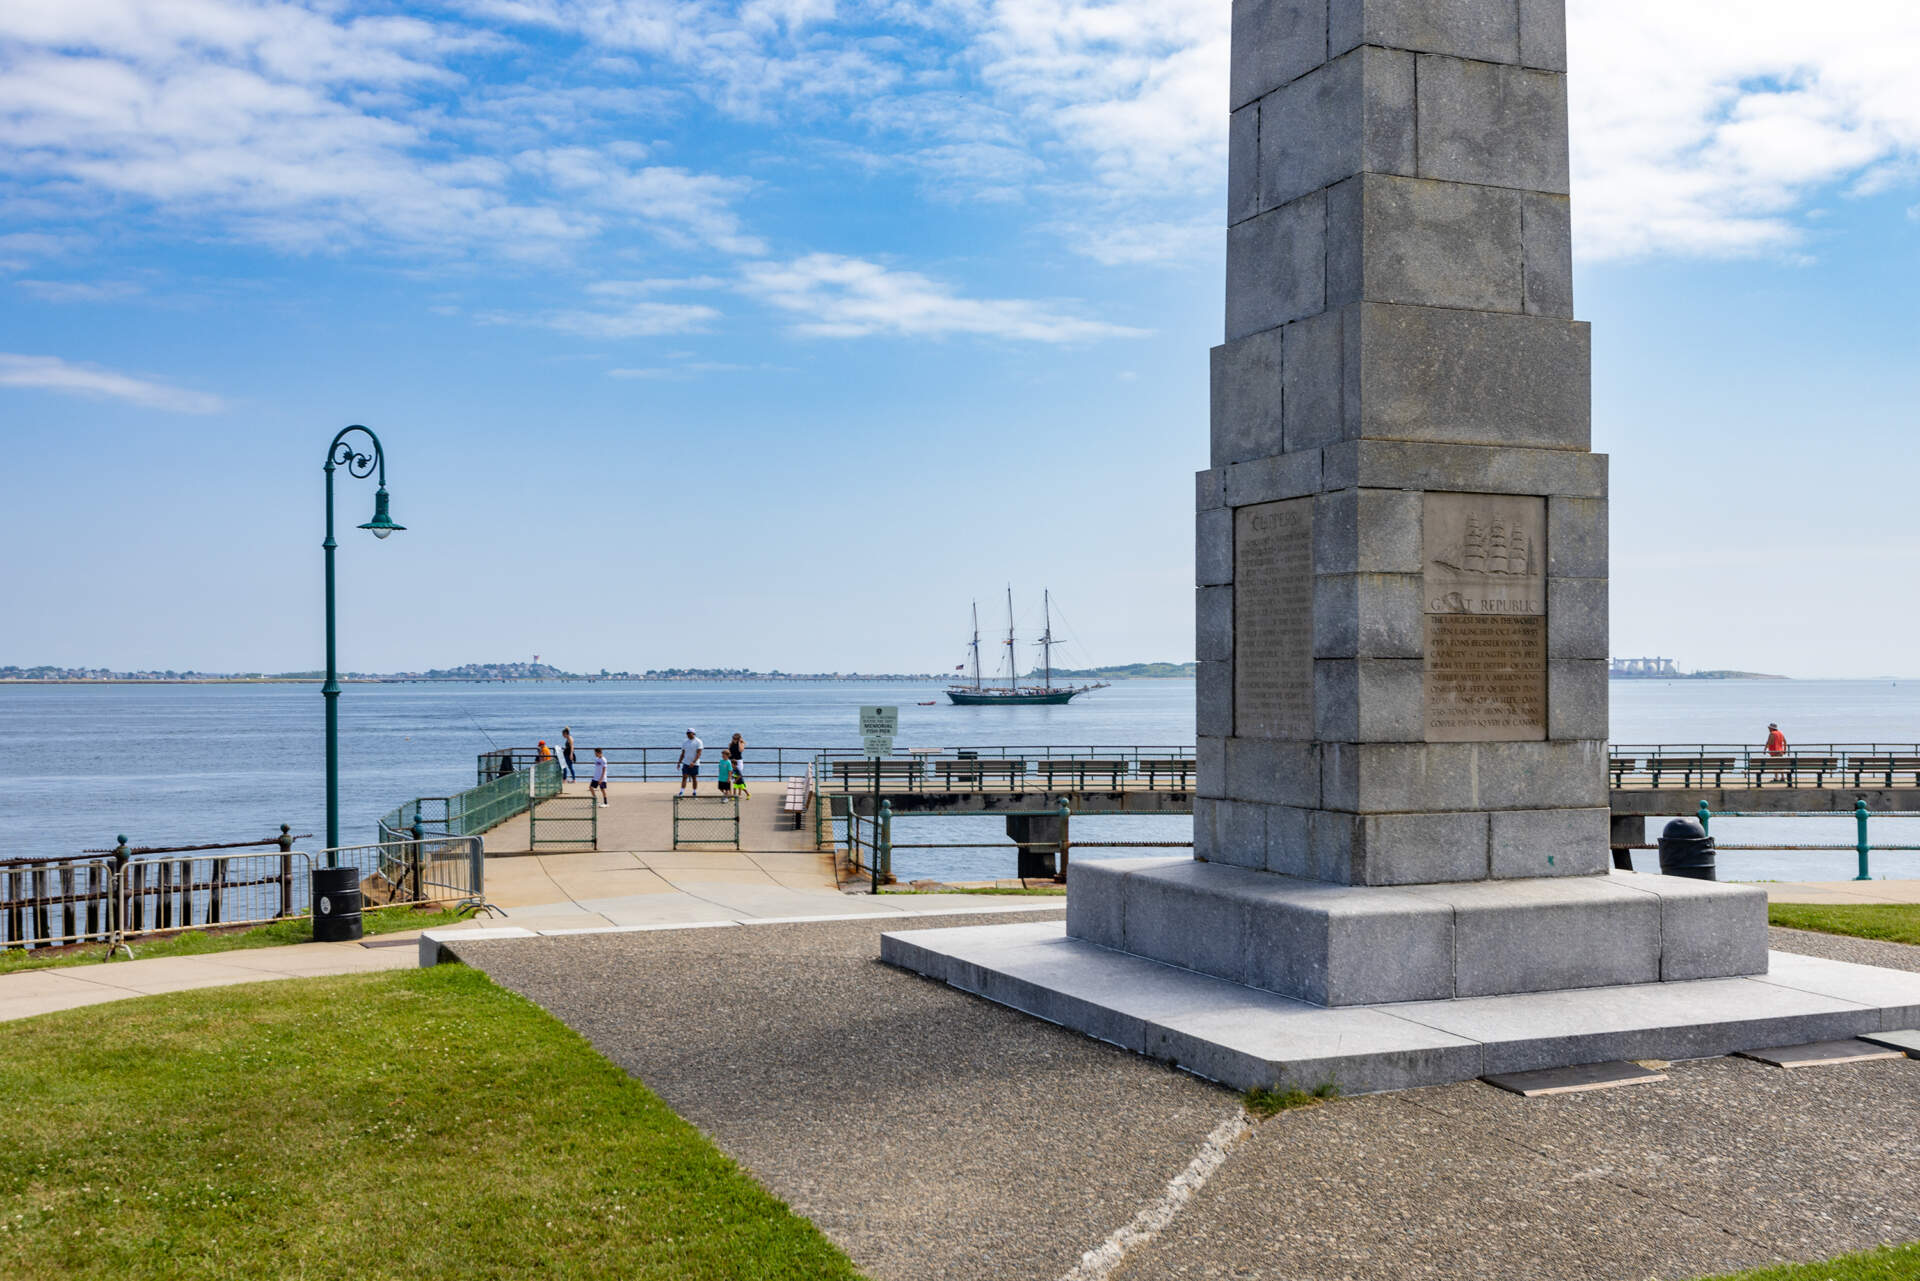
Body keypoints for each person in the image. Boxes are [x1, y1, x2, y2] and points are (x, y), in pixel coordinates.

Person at [677, 728, 704, 796]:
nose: (688, 734)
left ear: (693, 733)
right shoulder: (685, 742)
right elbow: (683, 753)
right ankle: (681, 792)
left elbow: (699, 753)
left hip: (695, 763)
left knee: (694, 777)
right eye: (687, 733)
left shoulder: (698, 741)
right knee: (684, 777)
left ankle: (694, 792)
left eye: (689, 733)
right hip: (686, 762)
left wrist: (693, 762)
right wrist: (679, 762)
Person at [727, 732, 750, 799]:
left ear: (739, 738)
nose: (734, 739)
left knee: (738, 777)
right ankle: (732, 793)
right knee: (732, 776)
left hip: (738, 761)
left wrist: (740, 742)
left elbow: (740, 750)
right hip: (731, 761)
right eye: (733, 738)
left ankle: (739, 794)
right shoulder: (730, 744)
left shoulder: (741, 744)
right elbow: (729, 752)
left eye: (736, 738)